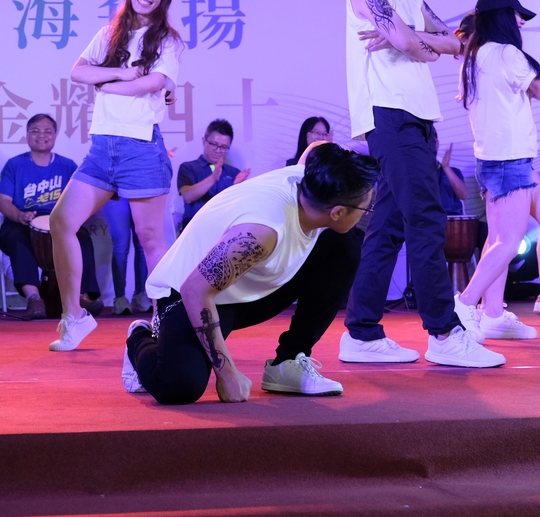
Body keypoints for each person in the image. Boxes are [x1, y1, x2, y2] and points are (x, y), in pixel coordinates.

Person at [339, 0, 502, 368]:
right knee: (428, 220)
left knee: (388, 228)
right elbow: (419, 43)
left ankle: (362, 332)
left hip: (416, 119)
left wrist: (409, 37)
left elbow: (457, 42)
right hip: (389, 116)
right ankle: (444, 332)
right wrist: (413, 40)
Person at [123, 143, 377, 404]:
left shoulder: (311, 175)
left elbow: (317, 146)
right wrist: (228, 374)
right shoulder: (262, 230)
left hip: (247, 286)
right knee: (180, 386)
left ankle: (288, 361)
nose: (366, 213)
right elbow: (194, 290)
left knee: (343, 247)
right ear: (337, 212)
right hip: (187, 295)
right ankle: (140, 338)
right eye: (365, 208)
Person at [48, 0, 183, 351]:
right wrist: (122, 75)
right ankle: (73, 317)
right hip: (102, 147)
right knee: (61, 222)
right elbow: (77, 71)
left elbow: (155, 83)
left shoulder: (169, 41)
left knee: (152, 240)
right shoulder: (110, 33)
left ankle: (165, 326)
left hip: (140, 146)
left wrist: (107, 83)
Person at [452, 0, 540, 347]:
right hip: (510, 161)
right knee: (507, 242)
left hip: (494, 160)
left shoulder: (474, 57)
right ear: (503, 16)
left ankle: (493, 315)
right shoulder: (508, 54)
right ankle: (465, 304)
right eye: (518, 15)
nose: (522, 22)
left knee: (510, 235)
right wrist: (530, 70)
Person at [0, 113, 100, 320]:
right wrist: (20, 215)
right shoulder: (15, 165)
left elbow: (81, 198)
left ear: (55, 135)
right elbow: (2, 201)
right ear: (27, 135)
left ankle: (81, 296)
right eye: (35, 130)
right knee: (17, 239)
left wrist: (71, 218)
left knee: (83, 238)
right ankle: (34, 298)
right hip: (21, 222)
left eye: (47, 131)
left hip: (59, 222)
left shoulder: (67, 165)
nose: (41, 135)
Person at [177, 118, 250, 233]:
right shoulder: (188, 167)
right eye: (214, 144)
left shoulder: (234, 173)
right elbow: (188, 196)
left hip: (224, 228)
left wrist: (236, 187)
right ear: (204, 141)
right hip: (194, 227)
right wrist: (213, 178)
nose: (218, 150)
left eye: (223, 147)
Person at [102, 197, 149, 315]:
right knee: (121, 246)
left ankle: (140, 295)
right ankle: (120, 299)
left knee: (142, 244)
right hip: (116, 193)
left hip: (140, 190)